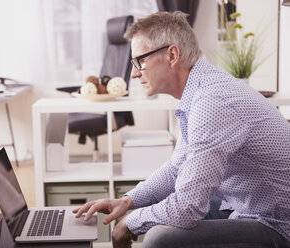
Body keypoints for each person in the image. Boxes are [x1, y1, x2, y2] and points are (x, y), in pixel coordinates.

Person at [74, 11, 290, 248]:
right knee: (158, 217)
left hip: (278, 224)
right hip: (245, 205)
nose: (134, 72)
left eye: (140, 61)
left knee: (160, 237)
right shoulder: (202, 90)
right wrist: (128, 201)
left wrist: (129, 222)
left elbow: (188, 207)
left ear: (172, 55)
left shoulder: (212, 102)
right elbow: (177, 168)